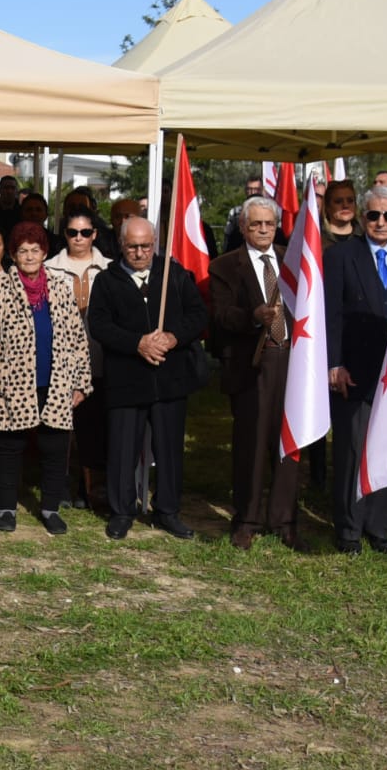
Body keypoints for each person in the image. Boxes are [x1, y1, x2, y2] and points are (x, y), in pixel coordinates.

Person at [0, 221, 91, 536]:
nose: (30, 256)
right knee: (9, 446)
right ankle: (6, 507)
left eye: (35, 250)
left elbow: (78, 339)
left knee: (55, 446)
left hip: (56, 379)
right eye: (23, 251)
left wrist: (80, 383)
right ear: (13, 254)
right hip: (10, 383)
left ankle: (49, 508)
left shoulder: (60, 288)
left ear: (45, 252)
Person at [85, 217, 206, 540]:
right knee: (123, 449)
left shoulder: (174, 275)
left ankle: (167, 511)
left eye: (146, 246)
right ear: (121, 245)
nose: (139, 253)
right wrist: (137, 343)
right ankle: (122, 511)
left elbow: (198, 315)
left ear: (155, 243)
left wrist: (172, 337)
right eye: (132, 246)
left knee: (168, 450)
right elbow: (98, 324)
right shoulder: (107, 281)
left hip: (169, 379)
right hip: (126, 379)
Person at [323, 184, 387, 555]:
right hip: (354, 371)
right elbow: (330, 314)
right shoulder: (341, 256)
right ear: (362, 217)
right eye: (374, 214)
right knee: (352, 450)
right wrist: (334, 363)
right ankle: (348, 529)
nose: (381, 222)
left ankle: (379, 528)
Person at [209, 197, 305, 551]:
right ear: (243, 227)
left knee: (289, 444)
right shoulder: (224, 266)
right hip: (253, 363)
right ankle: (246, 520)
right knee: (250, 444)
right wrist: (254, 315)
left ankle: (285, 521)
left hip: (294, 363)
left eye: (269, 224)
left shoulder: (294, 260)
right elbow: (220, 315)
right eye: (255, 224)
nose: (263, 230)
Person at [45, 209, 111, 512]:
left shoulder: (110, 270)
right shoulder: (49, 269)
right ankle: (58, 486)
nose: (79, 238)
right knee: (59, 428)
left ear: (95, 234)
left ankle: (91, 488)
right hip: (59, 361)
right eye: (73, 232)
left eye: (85, 232)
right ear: (65, 235)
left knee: (93, 427)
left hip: (99, 358)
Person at [321, 179, 359, 247]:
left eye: (350, 201)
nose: (345, 205)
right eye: (338, 201)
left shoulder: (365, 237)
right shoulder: (317, 237)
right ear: (327, 206)